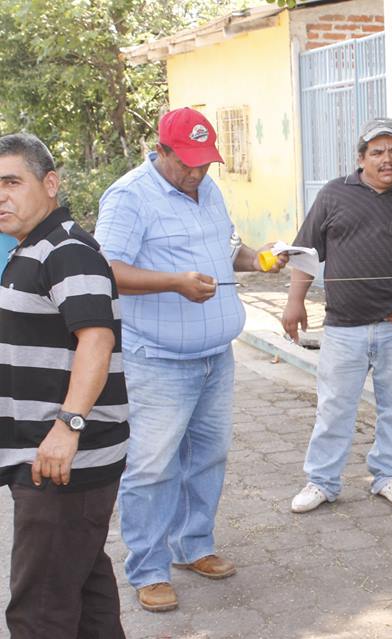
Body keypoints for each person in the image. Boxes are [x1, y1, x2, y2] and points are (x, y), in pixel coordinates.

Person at [95, 107, 287, 613]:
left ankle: (193, 545)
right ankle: (149, 569)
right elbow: (107, 271)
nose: (198, 172)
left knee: (208, 457)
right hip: (157, 360)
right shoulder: (129, 197)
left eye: (205, 162)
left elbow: (227, 248)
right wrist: (173, 282)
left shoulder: (208, 189)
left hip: (214, 357)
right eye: (187, 163)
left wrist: (259, 258)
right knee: (153, 467)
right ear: (160, 151)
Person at [284, 117, 392, 513]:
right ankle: (322, 481)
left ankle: (389, 476)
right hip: (344, 327)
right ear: (361, 159)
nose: (388, 159)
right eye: (377, 152)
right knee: (335, 406)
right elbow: (305, 255)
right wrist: (294, 303)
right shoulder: (333, 195)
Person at [0, 133, 128, 637]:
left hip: (63, 460)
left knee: (39, 612)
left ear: (50, 183)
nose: (0, 196)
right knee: (81, 587)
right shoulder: (28, 248)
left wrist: (68, 425)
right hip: (50, 458)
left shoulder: (66, 250)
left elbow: (96, 340)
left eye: (12, 182)